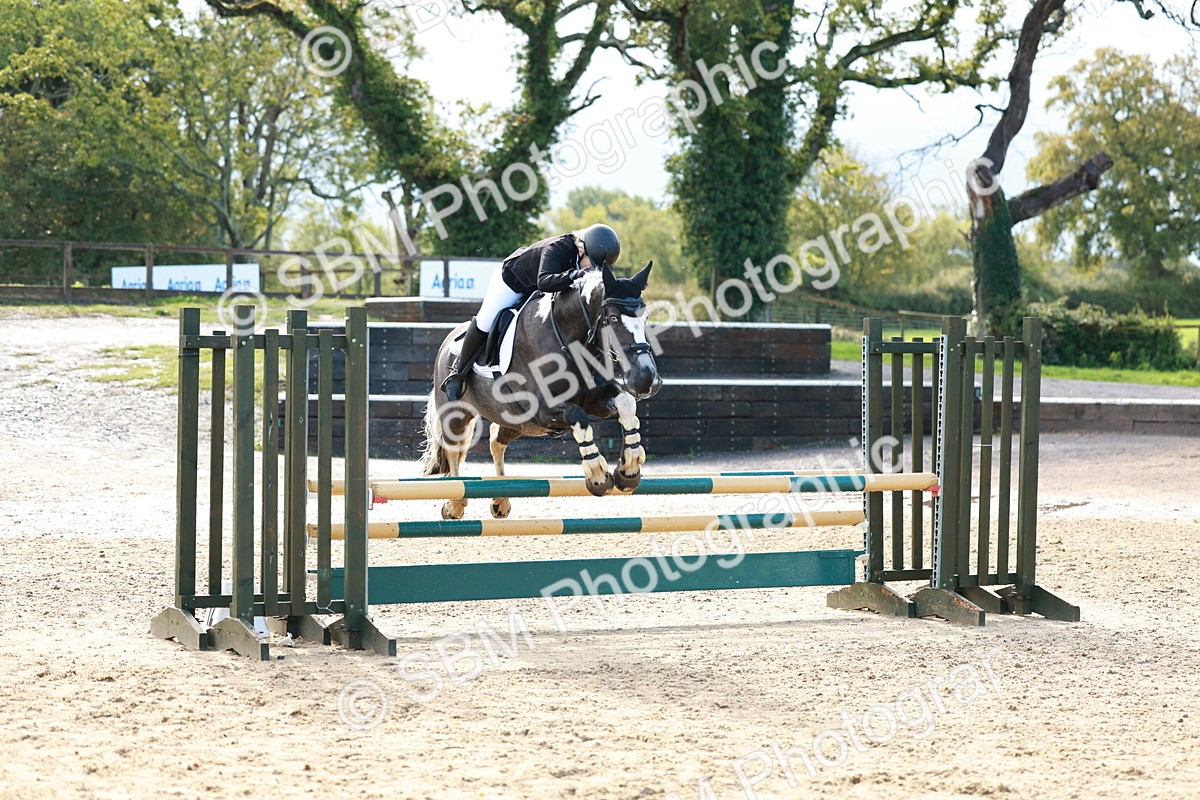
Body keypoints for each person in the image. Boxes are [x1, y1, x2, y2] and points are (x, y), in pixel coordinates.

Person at [441, 223, 621, 401]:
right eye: (592, 266)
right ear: (583, 250)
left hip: (538, 290)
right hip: (512, 282)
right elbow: (544, 280)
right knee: (486, 320)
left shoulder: (586, 257)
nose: (591, 271)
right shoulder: (559, 247)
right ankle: (458, 372)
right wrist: (574, 275)